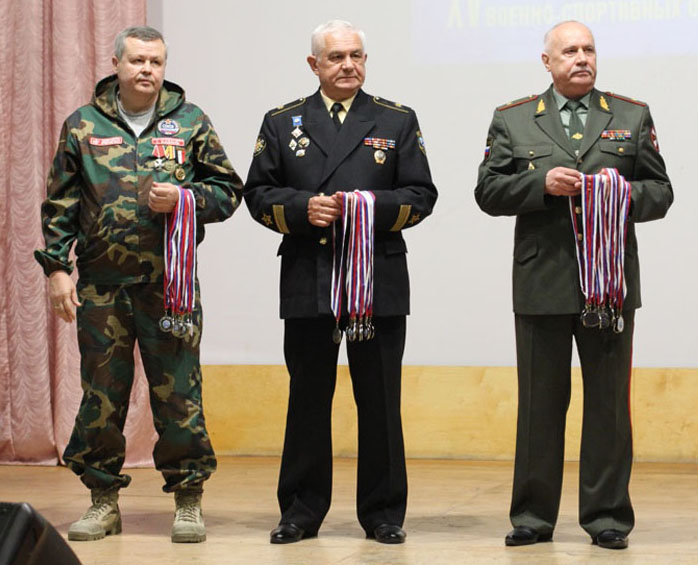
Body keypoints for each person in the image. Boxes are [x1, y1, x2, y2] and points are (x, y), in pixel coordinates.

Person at [35, 26, 243, 543]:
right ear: (117, 64)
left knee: (179, 395)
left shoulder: (190, 122)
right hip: (102, 288)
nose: (147, 70)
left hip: (169, 286)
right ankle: (103, 500)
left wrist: (187, 198)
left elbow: (228, 191)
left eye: (155, 61)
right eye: (137, 61)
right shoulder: (82, 125)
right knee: (101, 396)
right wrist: (57, 269)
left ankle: (188, 499)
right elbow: (60, 204)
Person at [475, 21, 672, 550]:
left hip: (608, 285)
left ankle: (607, 517)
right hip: (542, 281)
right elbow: (488, 192)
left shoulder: (631, 115)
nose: (581, 58)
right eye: (569, 51)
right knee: (539, 405)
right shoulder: (514, 118)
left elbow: (661, 192)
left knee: (608, 406)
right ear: (548, 62)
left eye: (589, 49)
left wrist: (616, 193)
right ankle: (532, 517)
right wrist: (539, 183)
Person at [244, 19, 437, 545]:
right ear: (314, 65)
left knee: (380, 400)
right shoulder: (282, 122)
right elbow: (257, 195)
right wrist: (303, 209)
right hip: (310, 276)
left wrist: (368, 207)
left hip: (377, 279)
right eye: (336, 57)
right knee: (308, 398)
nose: (348, 65)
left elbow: (421, 195)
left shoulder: (396, 119)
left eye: (356, 56)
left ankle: (383, 512)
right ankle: (300, 510)